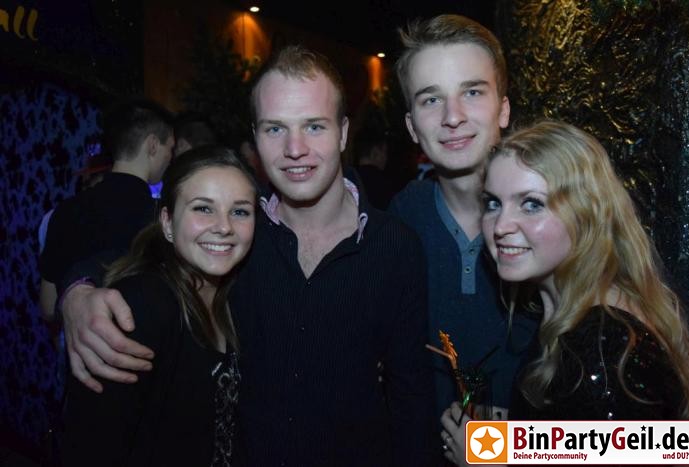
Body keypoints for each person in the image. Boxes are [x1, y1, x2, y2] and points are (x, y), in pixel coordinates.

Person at [59, 45, 434, 467]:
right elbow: (137, 249)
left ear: (343, 133)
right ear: (255, 136)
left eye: (314, 126)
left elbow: (411, 399)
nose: (295, 148)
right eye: (275, 129)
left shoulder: (396, 245)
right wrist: (78, 291)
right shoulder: (237, 230)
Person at [440, 120, 689, 465]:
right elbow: (595, 446)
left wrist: (484, 461)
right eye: (493, 203)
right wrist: (514, 439)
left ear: (585, 215)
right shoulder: (582, 314)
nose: (500, 226)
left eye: (531, 204)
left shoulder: (603, 348)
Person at [60, 146, 257, 466]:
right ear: (167, 222)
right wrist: (76, 291)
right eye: (203, 208)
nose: (224, 226)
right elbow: (91, 448)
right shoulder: (137, 307)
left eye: (240, 212)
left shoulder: (234, 294)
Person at [388, 14, 538, 431]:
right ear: (412, 127)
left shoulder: (557, 218)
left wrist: (511, 447)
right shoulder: (399, 221)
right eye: (430, 100)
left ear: (503, 109)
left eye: (472, 92)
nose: (452, 116)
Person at [39, 99, 174, 321]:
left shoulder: (66, 210)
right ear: (152, 145)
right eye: (170, 148)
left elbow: (48, 305)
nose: (170, 158)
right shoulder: (162, 218)